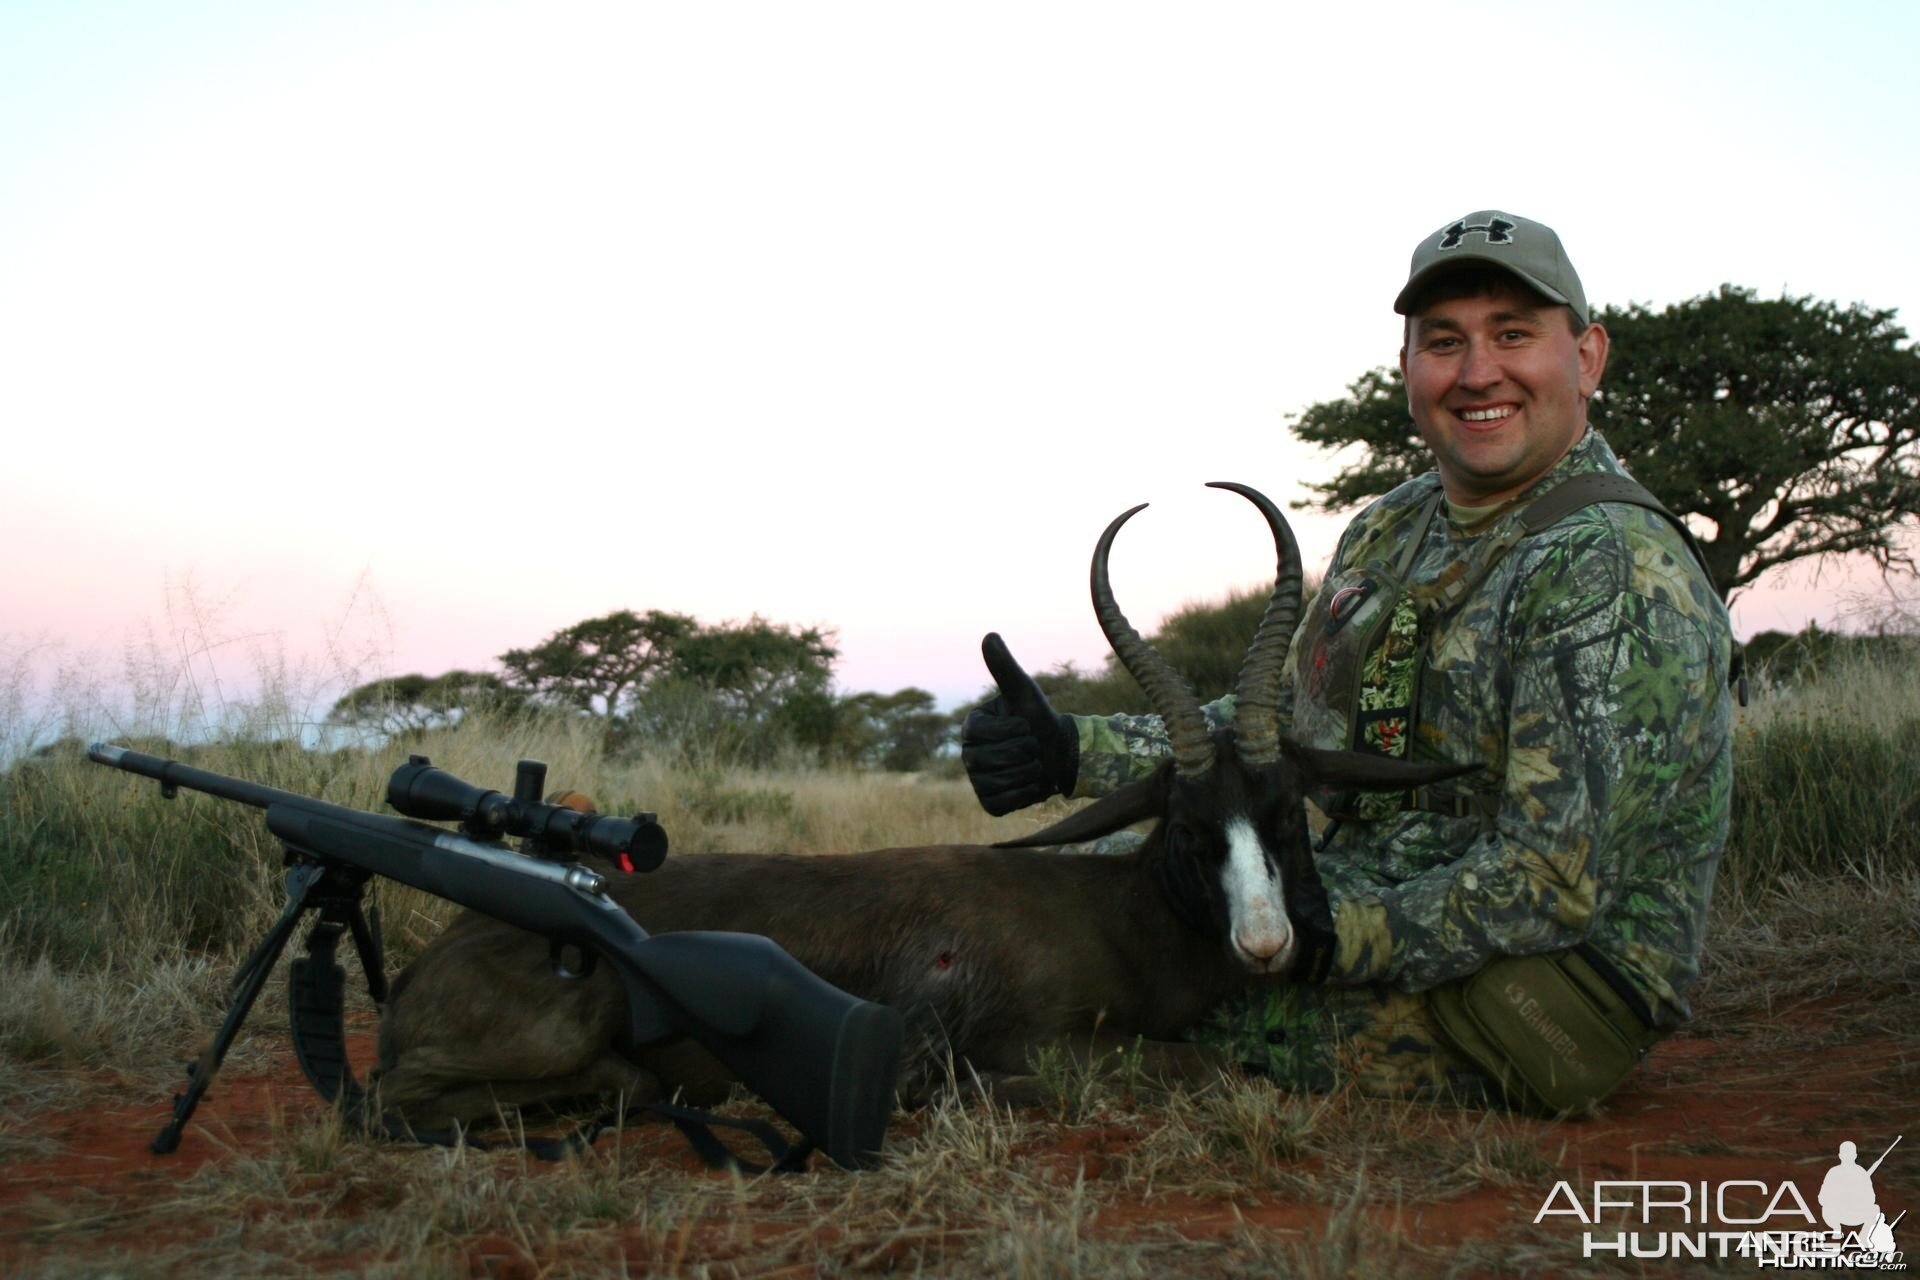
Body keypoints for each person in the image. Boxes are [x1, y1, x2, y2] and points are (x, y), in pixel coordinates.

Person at [962, 211, 1735, 1113]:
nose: (1478, 372)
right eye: (1445, 343)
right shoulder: (1394, 524)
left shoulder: (1615, 569)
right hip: (1362, 895)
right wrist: (1072, 748)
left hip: (1538, 984)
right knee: (1089, 908)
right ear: (1408, 369)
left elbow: (1550, 887)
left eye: (1513, 335)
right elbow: (1286, 728)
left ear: (1589, 356)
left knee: (1101, 1011)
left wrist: (1326, 935)